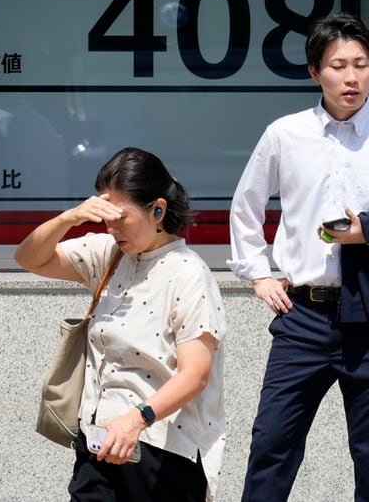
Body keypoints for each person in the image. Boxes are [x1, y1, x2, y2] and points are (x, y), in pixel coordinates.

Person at [228, 13, 369, 501]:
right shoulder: (285, 134)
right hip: (302, 312)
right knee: (272, 444)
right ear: (314, 72)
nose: (352, 77)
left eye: (362, 65)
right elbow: (247, 204)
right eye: (339, 65)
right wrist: (257, 273)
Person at [14, 147, 226, 502]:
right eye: (105, 217)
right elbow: (29, 257)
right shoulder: (109, 254)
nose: (110, 228)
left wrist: (137, 419)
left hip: (162, 451)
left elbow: (195, 374)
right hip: (98, 443)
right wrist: (70, 218)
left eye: (120, 217)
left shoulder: (188, 273)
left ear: (158, 210)